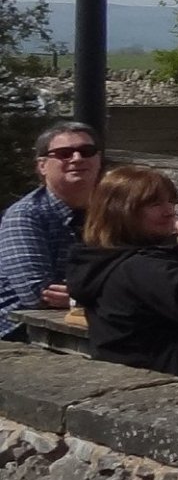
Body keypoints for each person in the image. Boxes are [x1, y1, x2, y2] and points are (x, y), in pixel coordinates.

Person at [67, 165, 178, 378]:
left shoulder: (104, 259)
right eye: (155, 204)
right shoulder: (140, 267)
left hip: (136, 375)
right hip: (173, 378)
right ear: (121, 211)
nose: (169, 211)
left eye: (171, 201)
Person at [0, 121, 103, 333]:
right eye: (64, 153)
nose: (77, 158)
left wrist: (80, 295)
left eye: (87, 151)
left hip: (87, 324)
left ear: (98, 159)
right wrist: (105, 294)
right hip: (22, 333)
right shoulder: (25, 215)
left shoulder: (110, 211)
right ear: (42, 166)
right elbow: (37, 294)